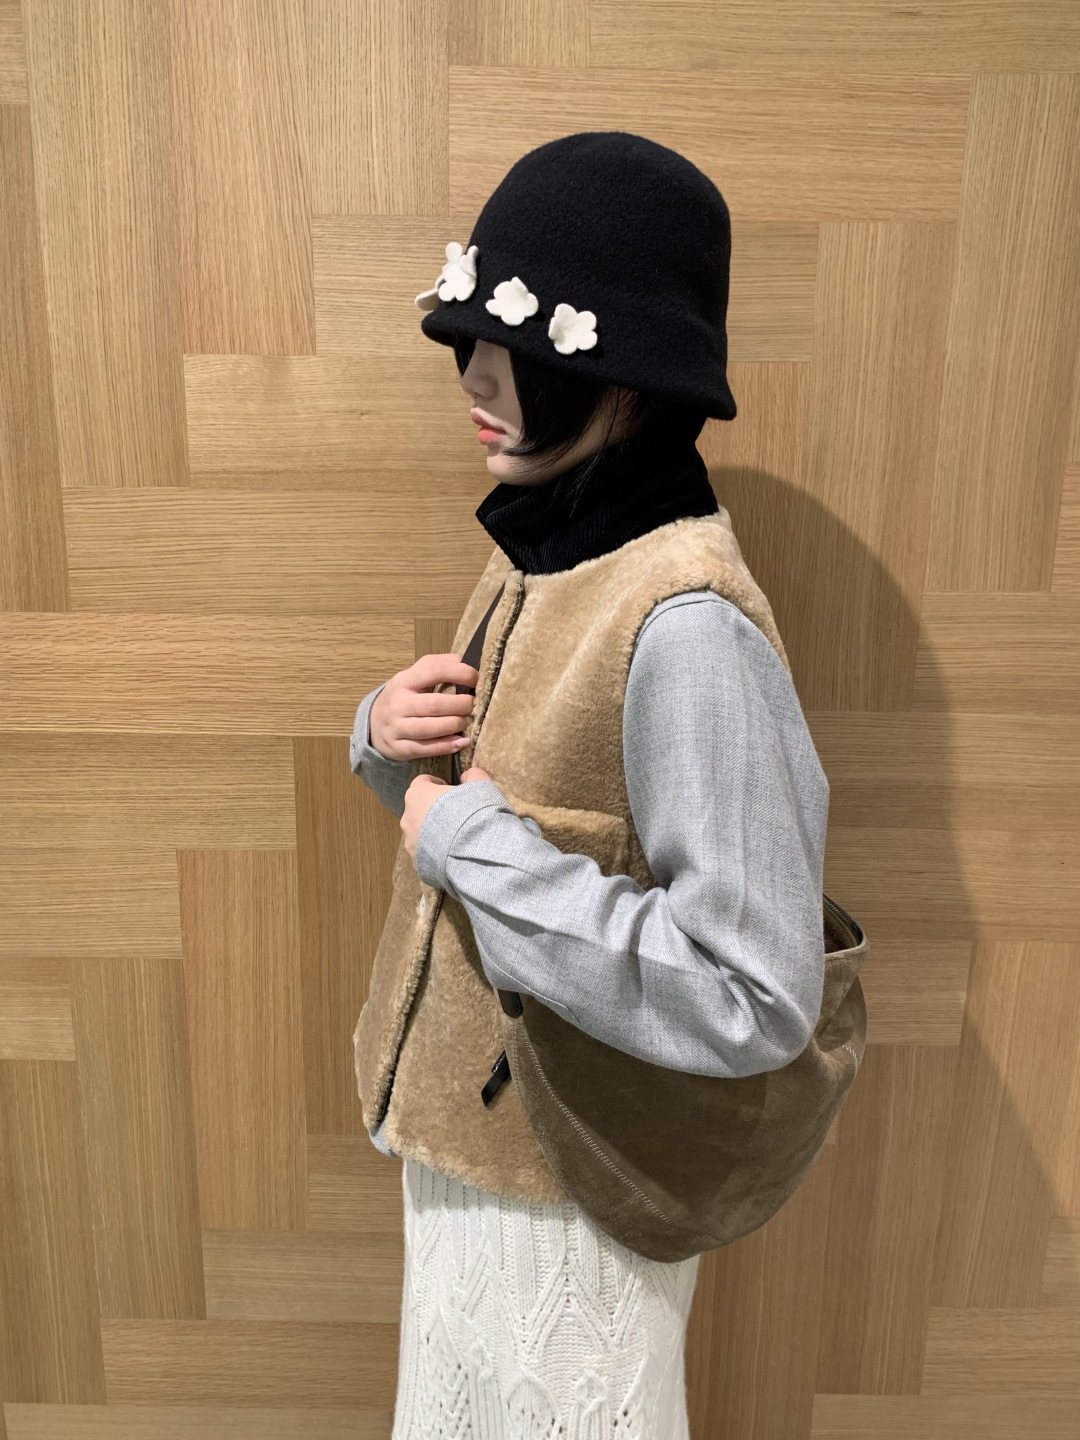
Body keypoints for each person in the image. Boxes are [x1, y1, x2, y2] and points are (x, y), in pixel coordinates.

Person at [349, 132, 830, 1437]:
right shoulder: (545, 538)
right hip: (470, 1159)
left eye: (517, 347)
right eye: (468, 338)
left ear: (622, 378)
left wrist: (468, 841)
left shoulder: (686, 624)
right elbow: (488, 811)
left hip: (574, 1199)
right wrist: (383, 737)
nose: (474, 373)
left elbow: (753, 993)